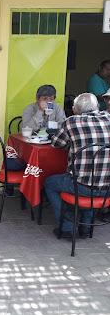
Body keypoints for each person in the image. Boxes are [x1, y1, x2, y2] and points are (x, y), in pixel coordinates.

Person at [44, 93, 110, 239]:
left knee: (50, 183)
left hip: (82, 187)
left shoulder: (71, 122)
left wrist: (75, 143)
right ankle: (85, 227)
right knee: (93, 177)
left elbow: (56, 143)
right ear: (98, 106)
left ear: (74, 109)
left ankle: (67, 227)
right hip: (108, 191)